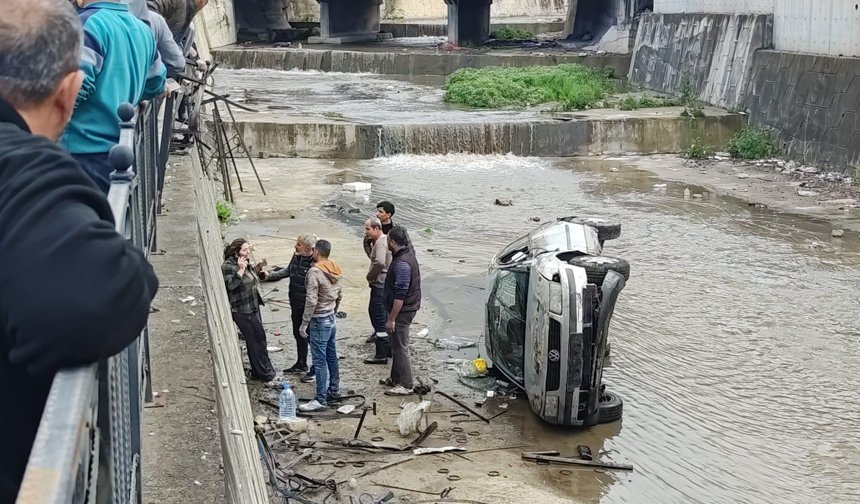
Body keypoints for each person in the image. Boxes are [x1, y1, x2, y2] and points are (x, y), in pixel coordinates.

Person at [0, 0, 160, 499]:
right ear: (65, 93)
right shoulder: (142, 28)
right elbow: (93, 299)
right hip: (107, 154)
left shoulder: (96, 28)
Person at [61, 0, 167, 193]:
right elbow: (157, 82)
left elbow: (74, 87)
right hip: (120, 151)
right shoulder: (143, 31)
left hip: (80, 151)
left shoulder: (88, 24)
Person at [222, 238, 278, 385]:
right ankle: (262, 373)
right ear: (236, 252)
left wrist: (258, 270)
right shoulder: (229, 266)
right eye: (244, 250)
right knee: (253, 341)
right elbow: (231, 286)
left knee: (260, 338)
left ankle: (265, 369)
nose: (247, 253)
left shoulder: (246, 263)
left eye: (248, 249)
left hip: (252, 305)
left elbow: (252, 279)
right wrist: (240, 271)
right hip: (241, 309)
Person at [263, 233, 318, 378]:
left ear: (308, 248)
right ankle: (301, 363)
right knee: (298, 333)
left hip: (308, 306)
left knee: (311, 337)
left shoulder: (316, 263)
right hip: (295, 302)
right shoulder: (297, 256)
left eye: (298, 244)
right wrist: (269, 275)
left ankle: (316, 368)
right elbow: (287, 271)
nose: (295, 246)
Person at [298, 240, 343, 412]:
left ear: (316, 252)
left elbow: (311, 300)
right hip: (330, 317)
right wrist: (334, 310)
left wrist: (304, 323)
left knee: (319, 360)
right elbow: (340, 294)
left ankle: (320, 399)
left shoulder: (314, 272)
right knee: (331, 356)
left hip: (318, 320)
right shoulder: (335, 268)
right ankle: (334, 390)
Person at [382, 226, 421, 396]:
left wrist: (391, 319)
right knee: (396, 344)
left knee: (401, 346)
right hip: (406, 307)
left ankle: (406, 384)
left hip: (403, 310)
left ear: (392, 242)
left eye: (387, 239)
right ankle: (395, 378)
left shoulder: (402, 263)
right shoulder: (407, 254)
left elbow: (400, 295)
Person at [364, 201, 396, 342]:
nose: (377, 214)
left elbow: (381, 261)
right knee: (379, 310)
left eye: (381, 212)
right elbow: (366, 244)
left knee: (378, 310)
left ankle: (383, 339)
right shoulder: (376, 237)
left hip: (384, 278)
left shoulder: (393, 232)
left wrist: (371, 275)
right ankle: (382, 335)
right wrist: (372, 256)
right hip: (384, 273)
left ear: (388, 215)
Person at [363, 218, 392, 365]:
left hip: (380, 284)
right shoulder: (385, 240)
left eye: (368, 229)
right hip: (386, 284)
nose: (365, 232)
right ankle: (389, 349)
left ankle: (381, 354)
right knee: (384, 315)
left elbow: (379, 262)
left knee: (377, 315)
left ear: (376, 228)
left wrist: (370, 276)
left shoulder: (380, 242)